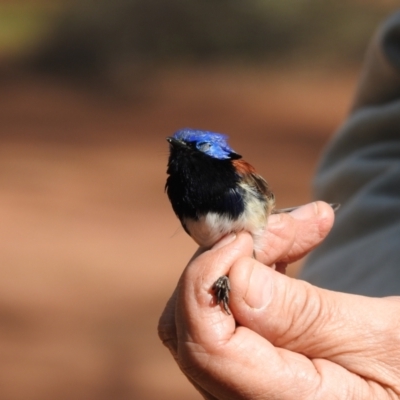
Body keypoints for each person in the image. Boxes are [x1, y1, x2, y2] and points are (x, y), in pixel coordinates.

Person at [158, 10, 400, 400]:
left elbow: (264, 200)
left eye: (197, 146)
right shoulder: (178, 189)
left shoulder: (236, 172)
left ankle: (229, 282)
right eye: (180, 146)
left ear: (215, 152)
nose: (182, 150)